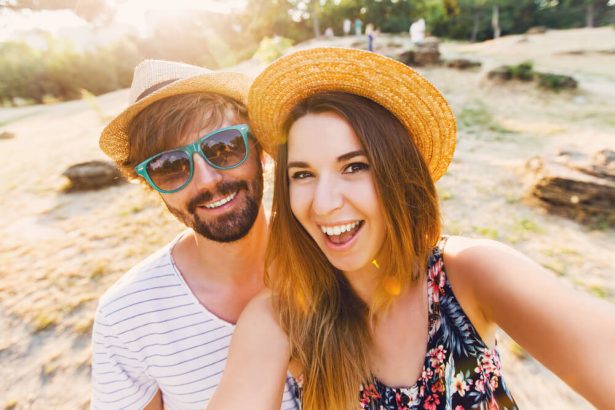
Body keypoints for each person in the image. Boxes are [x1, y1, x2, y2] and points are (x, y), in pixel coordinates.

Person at [208, 48, 615, 409]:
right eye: (303, 174)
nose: (324, 202)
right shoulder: (283, 317)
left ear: (397, 175)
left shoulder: (468, 275)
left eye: (355, 166)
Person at [91, 60, 298, 409]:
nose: (208, 180)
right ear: (152, 186)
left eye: (224, 147)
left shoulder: (332, 251)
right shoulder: (126, 318)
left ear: (260, 149)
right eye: (169, 167)